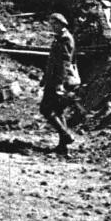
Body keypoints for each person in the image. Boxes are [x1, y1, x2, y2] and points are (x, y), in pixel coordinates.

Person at [39, 12, 80, 156]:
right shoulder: (60, 38)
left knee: (45, 109)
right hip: (54, 79)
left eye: (54, 24)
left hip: (58, 81)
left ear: (61, 24)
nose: (52, 27)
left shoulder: (65, 39)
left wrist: (59, 84)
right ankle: (63, 147)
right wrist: (45, 77)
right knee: (58, 111)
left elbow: (64, 63)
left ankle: (66, 135)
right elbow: (53, 62)